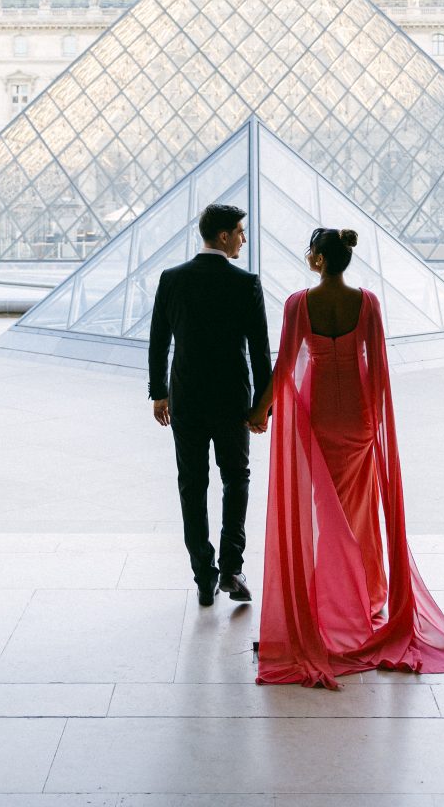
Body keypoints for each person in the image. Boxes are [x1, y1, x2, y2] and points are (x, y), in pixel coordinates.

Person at [248, 226, 444, 687]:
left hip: (319, 417)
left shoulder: (299, 304)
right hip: (358, 417)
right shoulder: (368, 303)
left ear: (319, 258)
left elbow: (284, 364)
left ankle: (330, 596)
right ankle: (367, 593)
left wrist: (260, 411)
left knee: (326, 514)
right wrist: (376, 426)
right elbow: (378, 368)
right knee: (359, 514)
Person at [148, 202, 272, 606]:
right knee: (236, 479)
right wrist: (261, 407)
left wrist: (159, 392)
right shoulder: (246, 283)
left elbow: (158, 342)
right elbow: (260, 352)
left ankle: (203, 574)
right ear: (223, 236)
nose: (243, 238)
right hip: (232, 400)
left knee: (192, 484)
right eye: (240, 231)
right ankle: (232, 570)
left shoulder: (171, 279)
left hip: (185, 399)